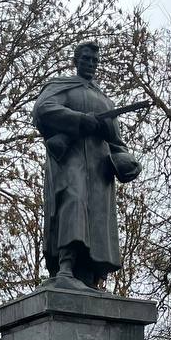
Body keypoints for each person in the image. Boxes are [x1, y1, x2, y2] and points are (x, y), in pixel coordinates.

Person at [32, 41, 142, 289]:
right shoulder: (63, 86)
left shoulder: (105, 101)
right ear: (76, 61)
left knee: (97, 218)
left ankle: (91, 277)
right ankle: (65, 268)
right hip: (70, 160)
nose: (91, 64)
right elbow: (43, 109)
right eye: (86, 59)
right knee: (73, 201)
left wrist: (128, 161)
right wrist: (80, 120)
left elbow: (116, 141)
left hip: (99, 168)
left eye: (95, 60)